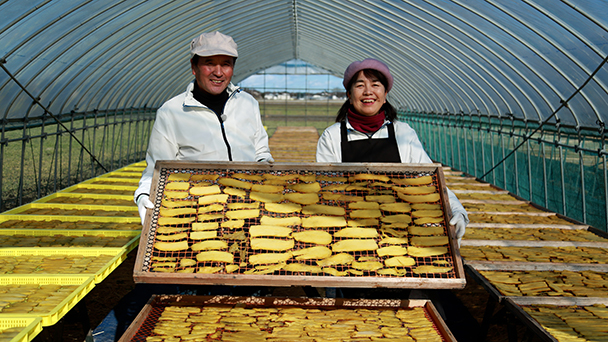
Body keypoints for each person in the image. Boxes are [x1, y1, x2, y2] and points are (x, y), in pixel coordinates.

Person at [316, 58, 468, 243]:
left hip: (401, 233)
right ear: (349, 93)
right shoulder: (332, 136)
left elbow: (430, 181)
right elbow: (326, 190)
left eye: (375, 85)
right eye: (360, 85)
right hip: (350, 233)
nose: (368, 91)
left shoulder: (402, 133)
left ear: (385, 93)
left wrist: (456, 209)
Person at [134, 31, 273, 223]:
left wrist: (265, 171)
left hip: (247, 209)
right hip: (196, 215)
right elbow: (156, 170)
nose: (218, 72)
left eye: (226, 64)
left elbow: (261, 152)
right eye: (209, 63)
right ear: (194, 66)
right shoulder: (172, 112)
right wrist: (143, 195)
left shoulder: (248, 103)